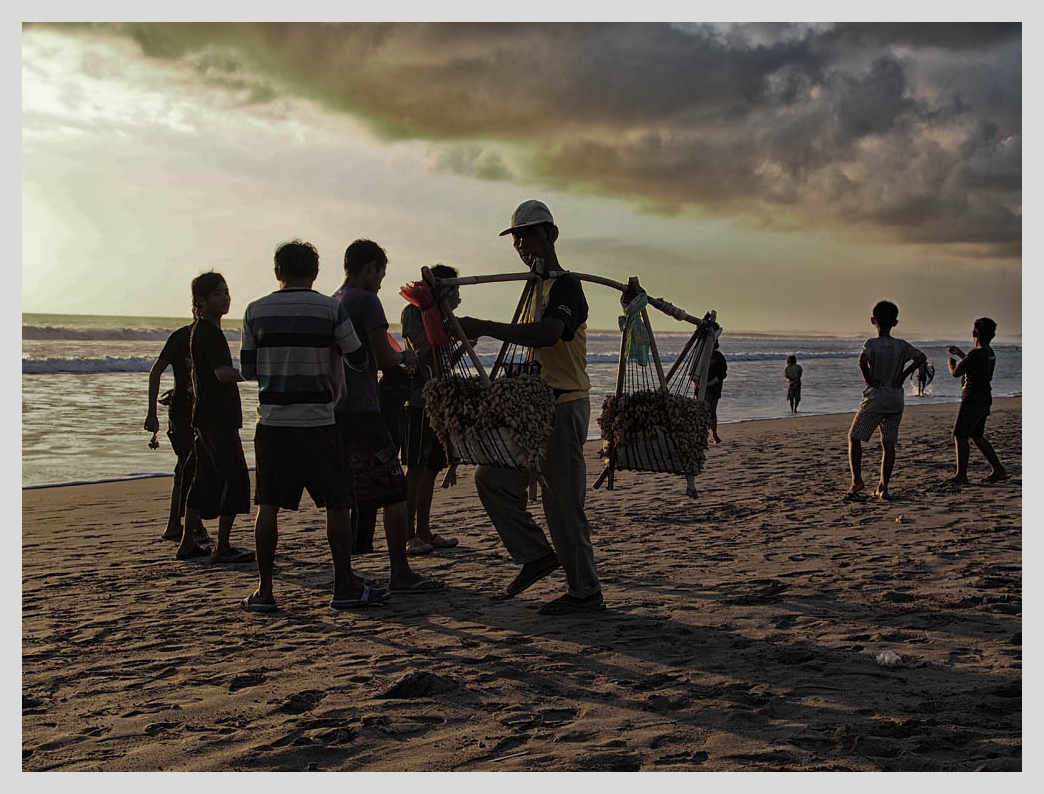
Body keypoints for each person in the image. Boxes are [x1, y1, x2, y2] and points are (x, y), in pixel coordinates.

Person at [457, 199, 604, 616]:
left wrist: (484, 327)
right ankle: (536, 556)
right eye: (517, 238)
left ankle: (585, 591)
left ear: (552, 235)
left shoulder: (566, 286)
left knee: (562, 503)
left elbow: (549, 333)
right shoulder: (535, 287)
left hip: (563, 405)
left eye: (530, 234)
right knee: (492, 479)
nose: (522, 244)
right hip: (534, 410)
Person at [238, 240, 385, 612]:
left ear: (278, 272)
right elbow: (357, 357)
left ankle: (266, 590)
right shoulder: (331, 309)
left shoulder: (255, 311)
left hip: (273, 422)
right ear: (316, 273)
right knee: (336, 504)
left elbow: (248, 370)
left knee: (268, 505)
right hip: (320, 420)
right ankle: (343, 584)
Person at [332, 238, 443, 594]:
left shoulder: (334, 300)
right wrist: (406, 359)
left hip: (335, 408)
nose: (381, 281)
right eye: (381, 273)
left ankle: (346, 574)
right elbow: (383, 357)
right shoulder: (366, 301)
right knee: (394, 490)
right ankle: (400, 572)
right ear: (370, 267)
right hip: (364, 405)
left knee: (345, 494)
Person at [179, 272, 254, 562]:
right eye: (217, 294)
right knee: (235, 478)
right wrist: (255, 374)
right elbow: (222, 374)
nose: (225, 298)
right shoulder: (209, 332)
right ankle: (222, 546)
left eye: (226, 292)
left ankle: (187, 542)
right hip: (217, 417)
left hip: (206, 415)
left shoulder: (201, 330)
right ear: (201, 300)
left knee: (202, 478)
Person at [400, 264, 462, 555]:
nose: (457, 295)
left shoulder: (443, 313)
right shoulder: (416, 310)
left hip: (441, 397)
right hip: (418, 397)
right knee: (414, 469)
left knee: (431, 469)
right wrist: (442, 315)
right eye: (453, 289)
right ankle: (407, 534)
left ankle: (424, 530)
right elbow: (420, 346)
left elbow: (444, 357)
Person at [845, 300, 926, 501]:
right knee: (888, 444)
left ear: (873, 320)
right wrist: (904, 374)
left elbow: (862, 361)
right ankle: (884, 487)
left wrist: (869, 380)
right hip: (895, 401)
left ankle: (857, 480)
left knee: (855, 438)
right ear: (895, 323)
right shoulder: (901, 345)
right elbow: (921, 357)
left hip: (876, 400)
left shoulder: (872, 344)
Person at [144, 304, 209, 546]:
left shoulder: (211, 337)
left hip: (202, 412)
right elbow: (155, 372)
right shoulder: (181, 337)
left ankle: (179, 524)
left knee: (190, 467)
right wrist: (152, 414)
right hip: (182, 413)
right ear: (197, 307)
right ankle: (183, 525)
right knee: (187, 467)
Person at [945, 317, 1011, 486]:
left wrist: (950, 364)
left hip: (972, 398)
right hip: (984, 398)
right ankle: (998, 469)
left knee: (960, 435)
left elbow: (957, 373)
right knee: (976, 435)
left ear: (974, 333)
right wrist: (960, 353)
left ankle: (961, 475)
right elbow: (971, 364)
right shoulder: (989, 353)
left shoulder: (976, 354)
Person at [703, 341, 727, 443]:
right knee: (703, 410)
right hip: (701, 388)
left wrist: (709, 383)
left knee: (711, 411)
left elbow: (722, 374)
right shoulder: (702, 355)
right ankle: (705, 434)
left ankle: (714, 434)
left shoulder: (718, 356)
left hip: (713, 389)